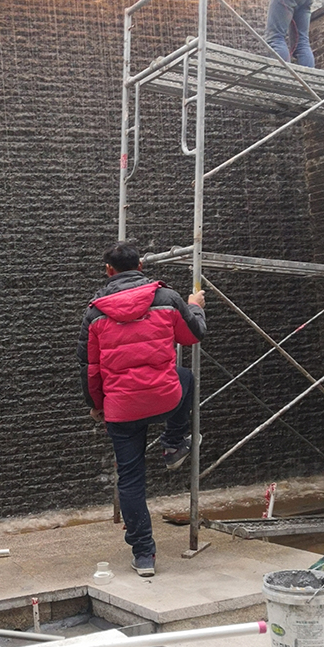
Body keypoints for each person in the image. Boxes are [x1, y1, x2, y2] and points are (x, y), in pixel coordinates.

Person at [77, 242, 206, 577]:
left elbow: (90, 369)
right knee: (186, 376)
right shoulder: (167, 298)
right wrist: (196, 306)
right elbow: (193, 336)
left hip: (122, 407)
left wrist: (96, 406)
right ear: (140, 266)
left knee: (131, 478)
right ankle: (173, 444)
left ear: (108, 270)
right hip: (164, 397)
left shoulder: (95, 312)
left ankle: (144, 555)